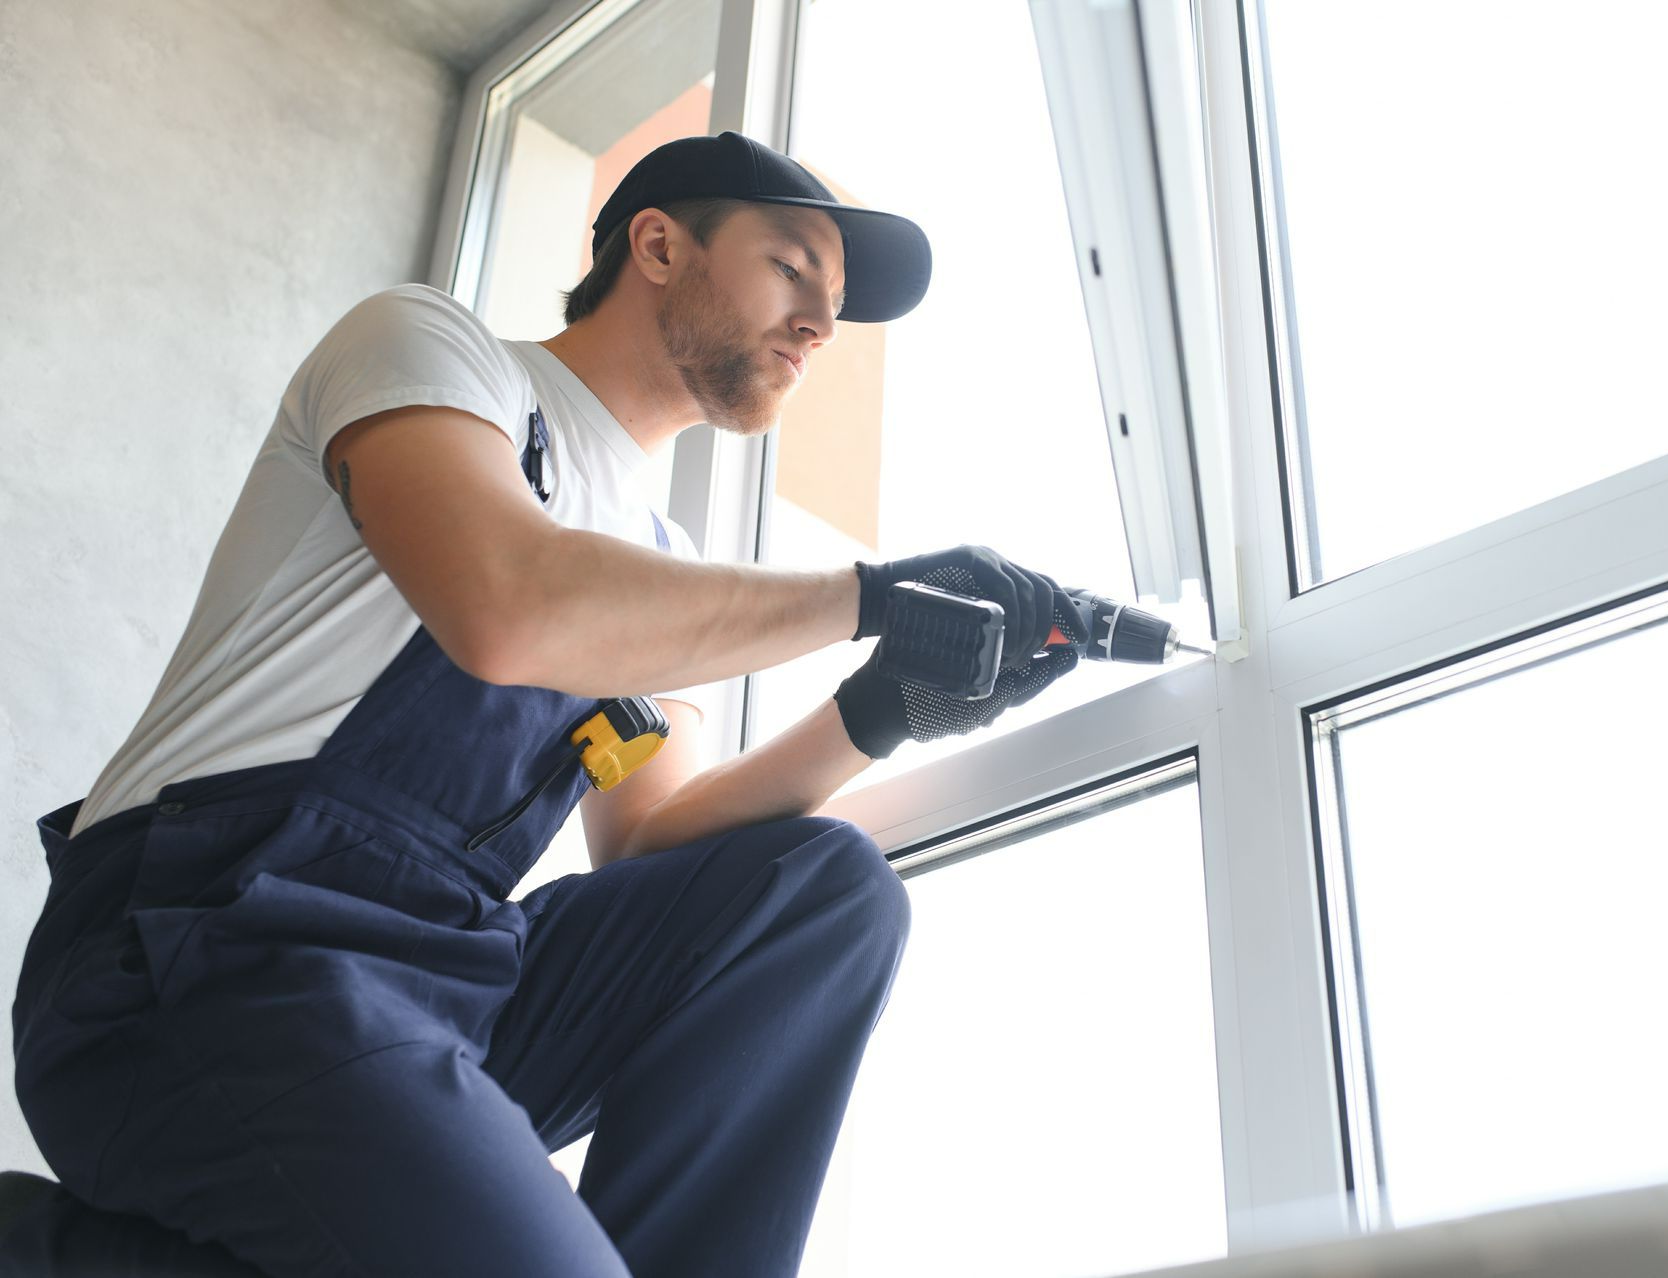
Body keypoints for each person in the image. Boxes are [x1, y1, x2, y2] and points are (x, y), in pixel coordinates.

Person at [5, 130, 1088, 1276]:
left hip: (444, 978)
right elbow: (507, 602)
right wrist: (872, 596)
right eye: (791, 269)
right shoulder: (437, 355)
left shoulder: (658, 562)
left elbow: (653, 838)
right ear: (659, 246)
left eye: (834, 298)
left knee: (824, 891)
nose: (823, 323)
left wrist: (883, 708)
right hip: (211, 947)